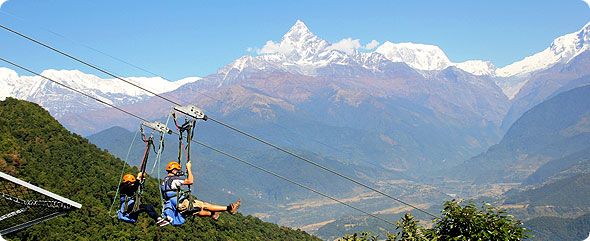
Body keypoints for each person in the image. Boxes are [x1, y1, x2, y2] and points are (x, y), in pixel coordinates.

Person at [161, 161, 241, 226]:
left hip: (176, 206)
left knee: (196, 211)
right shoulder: (173, 180)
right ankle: (229, 209)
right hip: (182, 204)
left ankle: (212, 214)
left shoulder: (164, 181)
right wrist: (189, 168)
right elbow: (190, 181)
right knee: (204, 205)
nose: (178, 172)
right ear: (174, 170)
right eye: (177, 171)